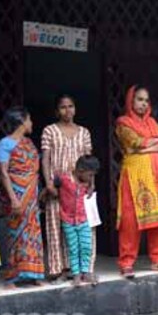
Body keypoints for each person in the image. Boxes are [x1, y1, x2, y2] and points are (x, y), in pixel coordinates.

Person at [115, 85, 158, 278]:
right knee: (130, 220)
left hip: (157, 176)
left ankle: (157, 259)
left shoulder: (152, 122)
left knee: (157, 220)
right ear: (130, 101)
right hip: (135, 176)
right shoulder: (123, 123)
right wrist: (154, 143)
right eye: (139, 99)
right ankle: (126, 262)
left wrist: (148, 148)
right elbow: (135, 142)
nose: (143, 104)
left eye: (146, 100)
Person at [41, 94, 94, 281]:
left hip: (79, 189)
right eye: (63, 107)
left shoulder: (84, 132)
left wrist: (91, 184)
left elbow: (89, 161)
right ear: (57, 111)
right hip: (58, 187)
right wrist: (48, 183)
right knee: (57, 227)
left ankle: (83, 269)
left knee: (83, 229)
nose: (67, 110)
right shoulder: (49, 131)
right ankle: (60, 269)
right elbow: (45, 159)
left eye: (70, 106)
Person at [0, 106, 45, 288]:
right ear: (22, 122)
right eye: (29, 119)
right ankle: (12, 277)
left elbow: (34, 169)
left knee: (33, 233)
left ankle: (34, 274)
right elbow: (4, 173)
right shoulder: (5, 144)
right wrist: (13, 199)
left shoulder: (29, 143)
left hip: (32, 195)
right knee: (16, 233)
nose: (31, 123)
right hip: (16, 194)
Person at [55, 155, 100, 286]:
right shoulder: (64, 179)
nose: (91, 178)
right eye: (90, 175)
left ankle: (85, 272)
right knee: (73, 249)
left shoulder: (87, 183)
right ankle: (76, 274)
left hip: (84, 220)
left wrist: (91, 185)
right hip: (68, 220)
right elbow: (53, 185)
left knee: (86, 247)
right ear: (80, 171)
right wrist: (46, 193)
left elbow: (90, 184)